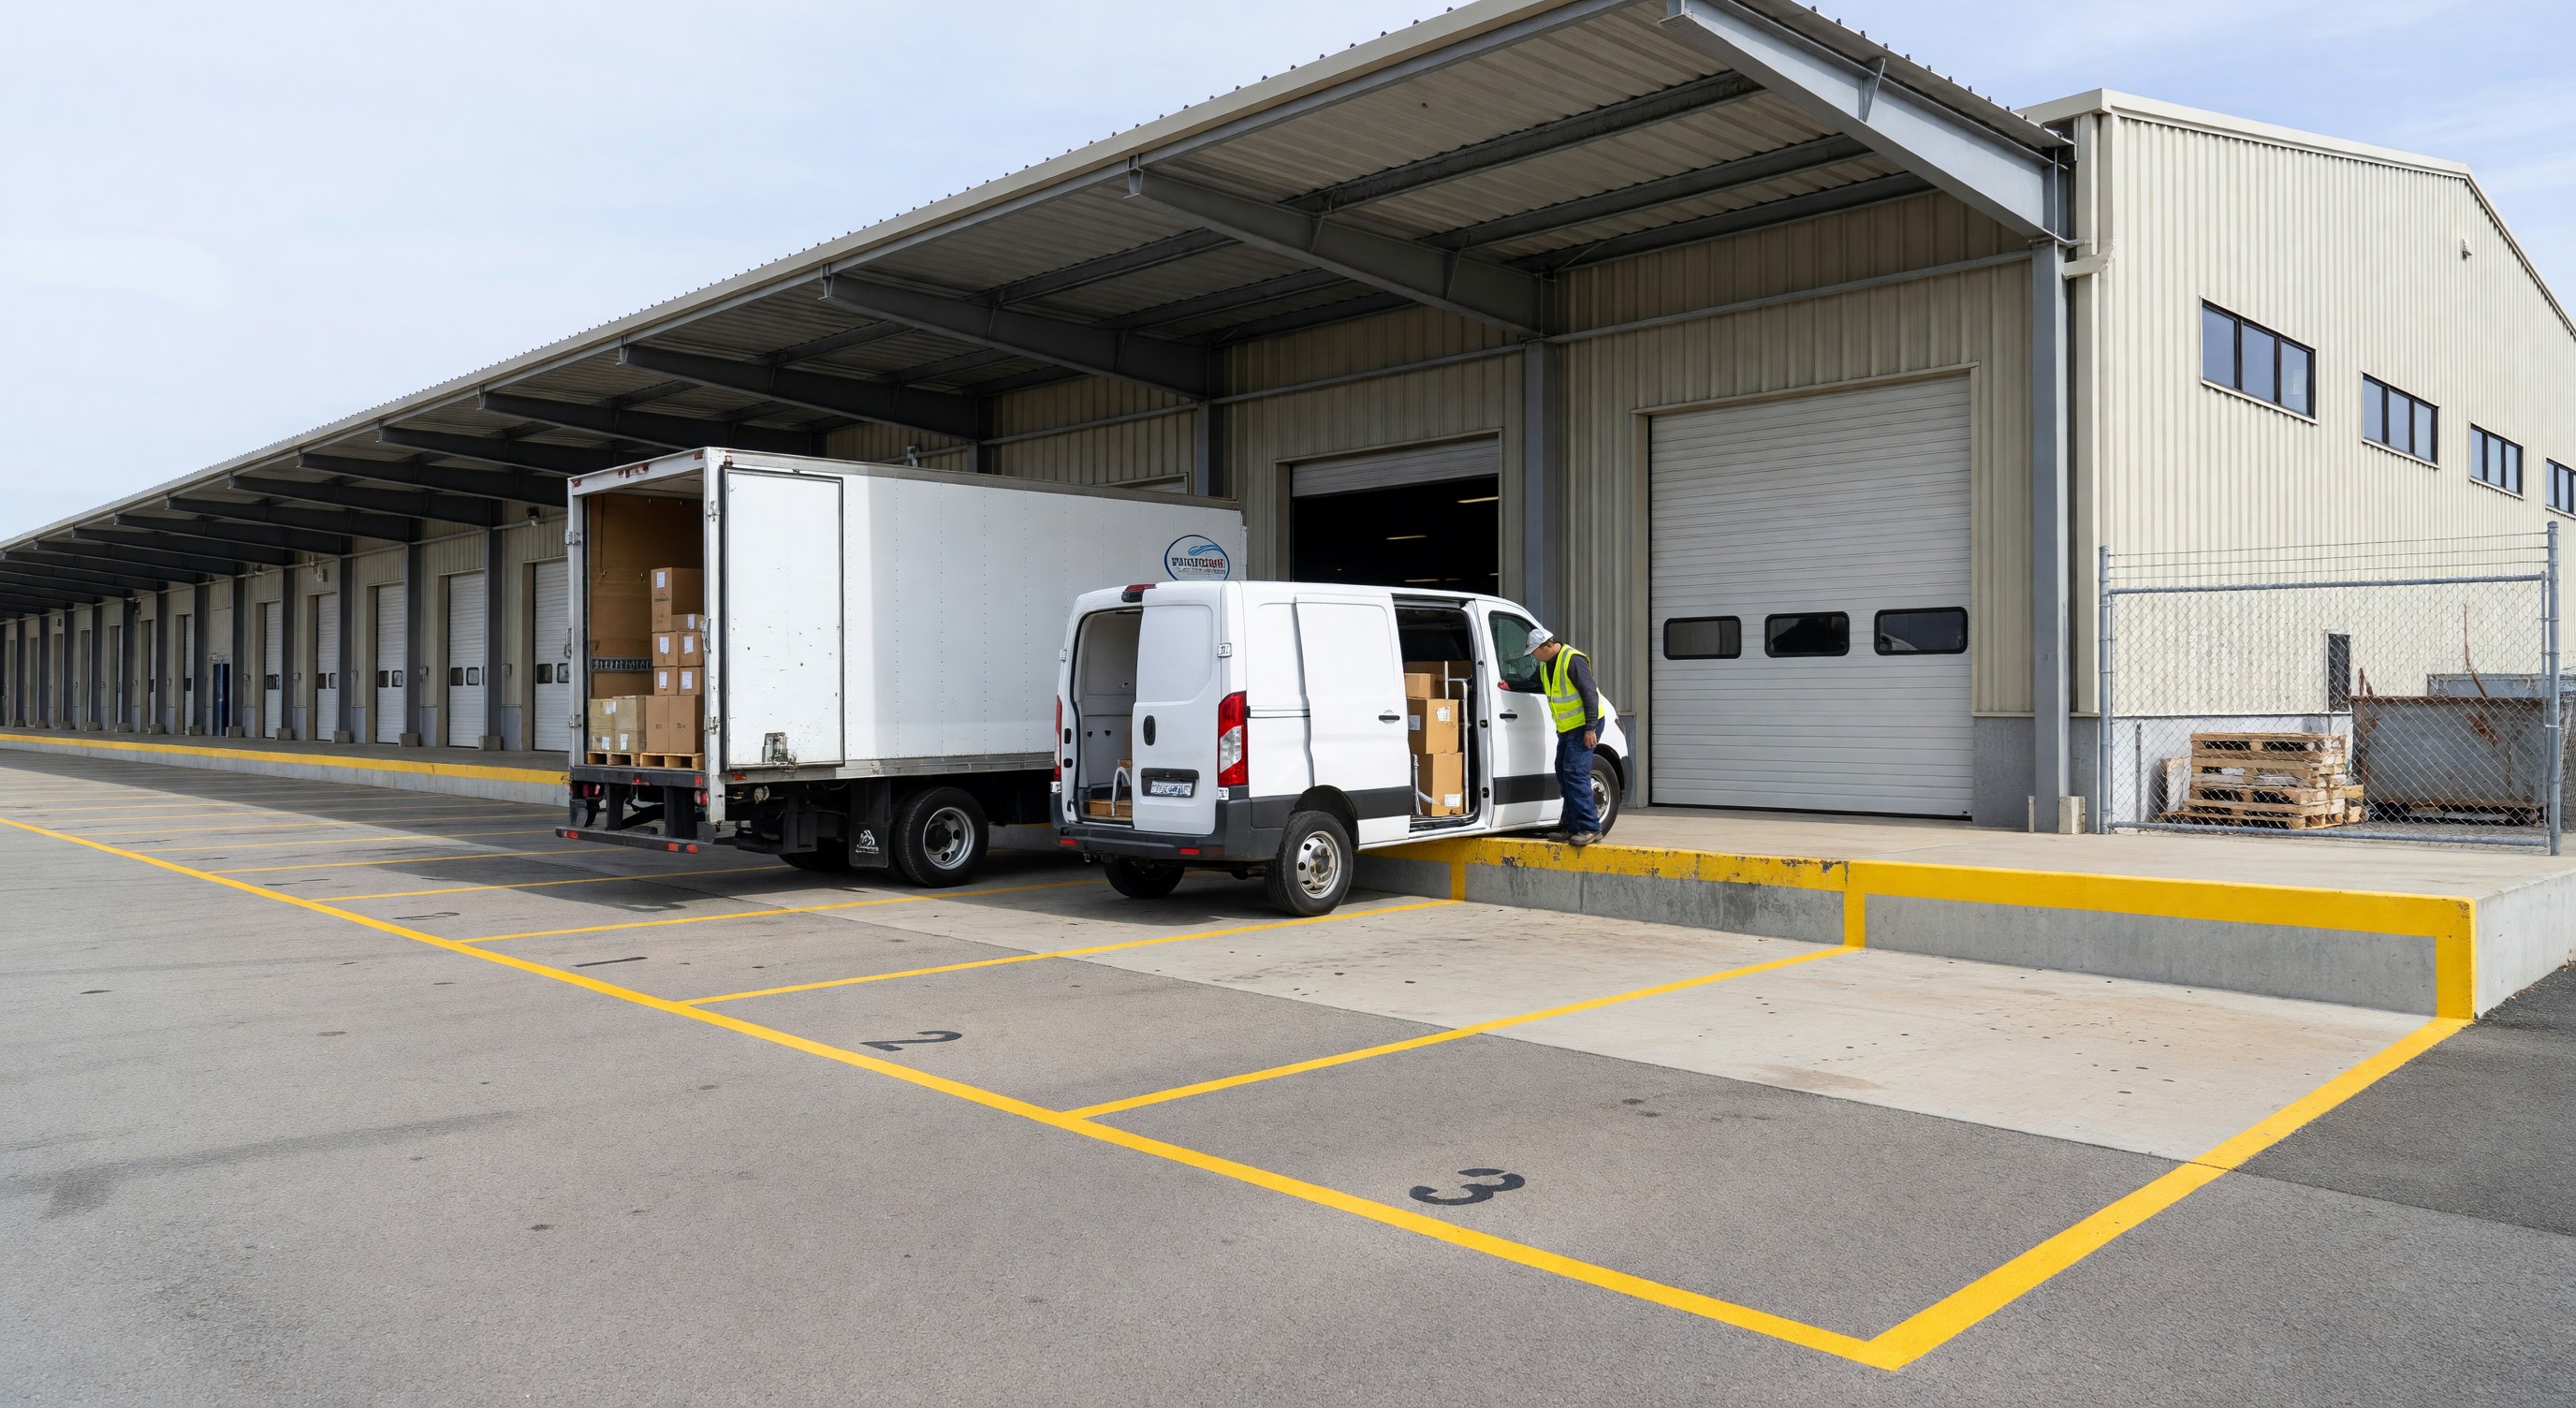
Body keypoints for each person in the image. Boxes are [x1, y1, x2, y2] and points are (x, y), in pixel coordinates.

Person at [1528, 626, 1602, 846]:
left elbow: (1589, 694)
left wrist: (1590, 728)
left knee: (1575, 772)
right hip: (1568, 727)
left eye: (1534, 651)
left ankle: (1590, 827)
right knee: (1563, 770)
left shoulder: (1572, 659)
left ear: (1547, 645)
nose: (1533, 656)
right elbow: (1531, 683)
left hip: (1585, 725)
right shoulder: (1546, 665)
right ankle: (1571, 825)